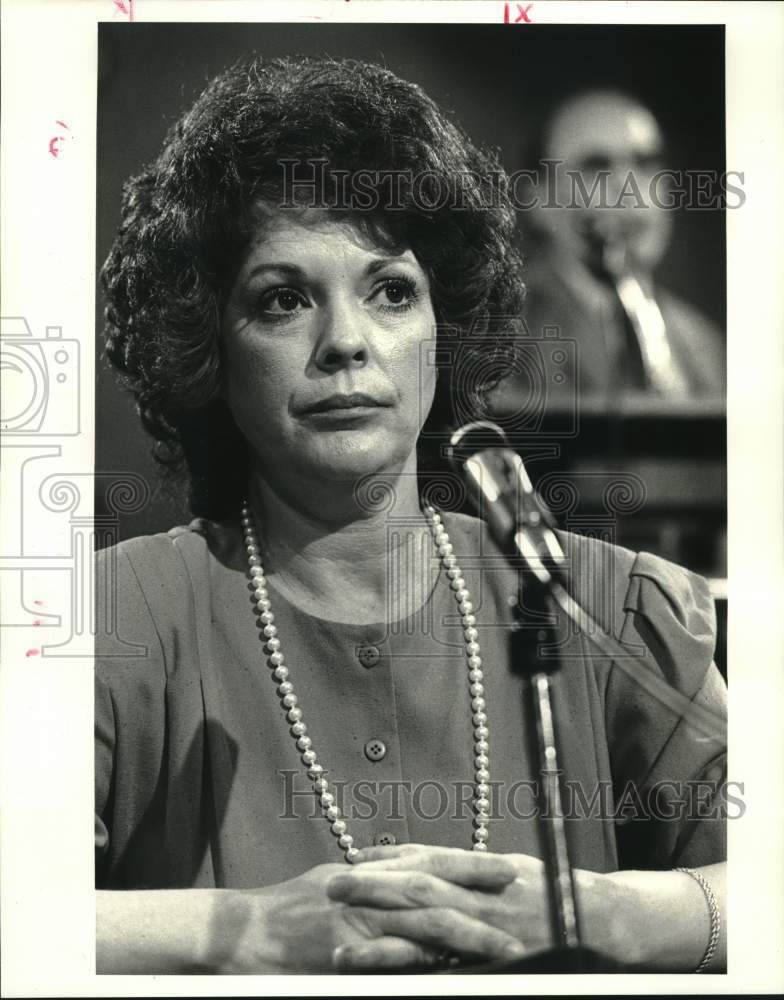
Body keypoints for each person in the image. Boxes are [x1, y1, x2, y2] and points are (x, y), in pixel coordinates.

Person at [95, 56, 727, 975]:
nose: (346, 342)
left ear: (444, 328)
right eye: (282, 300)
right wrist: (242, 931)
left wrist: (597, 912)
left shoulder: (601, 605)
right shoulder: (119, 618)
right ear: (210, 351)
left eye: (391, 290)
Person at [508, 88, 726, 407]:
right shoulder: (501, 335)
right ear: (536, 198)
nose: (629, 188)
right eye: (596, 167)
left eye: (645, 163)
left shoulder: (703, 344)